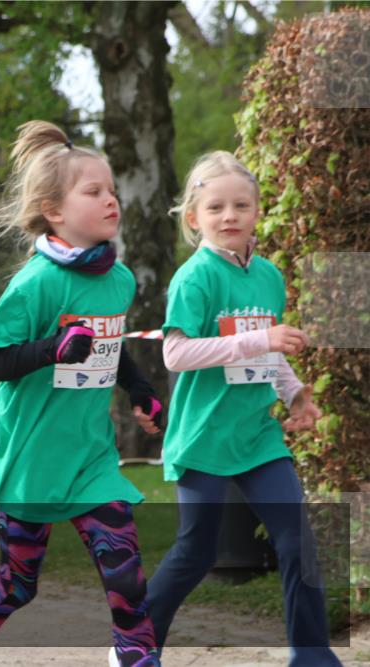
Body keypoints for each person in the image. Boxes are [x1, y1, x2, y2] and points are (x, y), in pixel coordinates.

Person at [0, 121, 165, 667]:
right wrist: (54, 348)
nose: (111, 200)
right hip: (30, 454)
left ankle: (137, 656)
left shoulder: (119, 279)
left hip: (88, 455)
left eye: (112, 191)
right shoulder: (34, 284)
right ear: (55, 211)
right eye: (94, 192)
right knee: (17, 583)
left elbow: (109, 343)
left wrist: (141, 392)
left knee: (123, 565)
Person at [146, 151, 342, 667]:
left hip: (257, 437)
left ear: (257, 211)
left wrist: (295, 394)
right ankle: (135, 644)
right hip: (204, 437)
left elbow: (272, 353)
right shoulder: (195, 278)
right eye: (215, 208)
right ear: (195, 218)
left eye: (240, 205)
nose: (228, 215)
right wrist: (256, 339)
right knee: (196, 554)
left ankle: (313, 656)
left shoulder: (269, 277)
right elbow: (176, 354)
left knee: (297, 540)